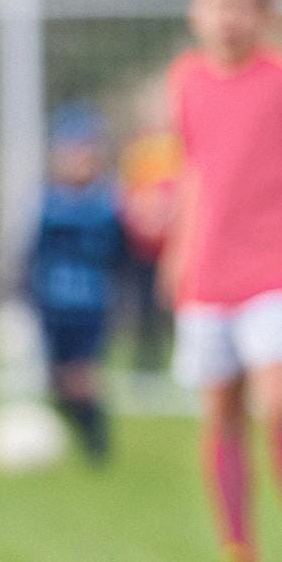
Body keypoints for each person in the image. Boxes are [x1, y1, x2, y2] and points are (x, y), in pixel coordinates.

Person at [165, 0, 282, 562]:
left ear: (264, 14)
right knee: (220, 408)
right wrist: (177, 249)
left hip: (279, 265)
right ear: (199, 12)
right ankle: (237, 547)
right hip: (209, 272)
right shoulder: (186, 81)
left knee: (277, 401)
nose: (229, 18)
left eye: (242, 6)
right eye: (218, 4)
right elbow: (195, 172)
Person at [25, 103, 126, 463]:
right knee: (57, 381)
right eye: (73, 151)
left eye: (87, 150)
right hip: (53, 306)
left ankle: (98, 448)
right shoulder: (47, 203)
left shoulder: (109, 203)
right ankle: (80, 430)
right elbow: (30, 256)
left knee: (84, 375)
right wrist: (25, 296)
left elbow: (122, 256)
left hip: (90, 306)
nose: (80, 159)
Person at [115, 87, 181, 374]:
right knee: (144, 307)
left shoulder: (180, 147)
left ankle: (181, 364)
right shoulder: (138, 150)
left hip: (175, 245)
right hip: (143, 246)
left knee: (177, 308)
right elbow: (128, 194)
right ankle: (147, 365)